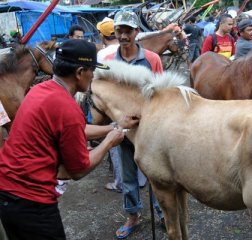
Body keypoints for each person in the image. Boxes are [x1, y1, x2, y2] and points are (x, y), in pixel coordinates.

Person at [0, 39, 140, 240]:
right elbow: (78, 170)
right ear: (80, 72)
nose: (93, 76)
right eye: (92, 70)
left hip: (6, 191)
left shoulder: (41, 90)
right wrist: (109, 141)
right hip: (31, 201)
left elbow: (75, 130)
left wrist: (115, 126)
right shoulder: (67, 107)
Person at [102, 10, 164, 239]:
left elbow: (161, 94)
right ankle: (132, 217)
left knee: (156, 174)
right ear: (115, 32)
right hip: (123, 129)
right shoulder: (108, 62)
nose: (124, 34)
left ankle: (162, 212)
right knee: (128, 176)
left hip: (150, 128)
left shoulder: (152, 59)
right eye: (120, 30)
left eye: (128, 30)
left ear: (137, 31)